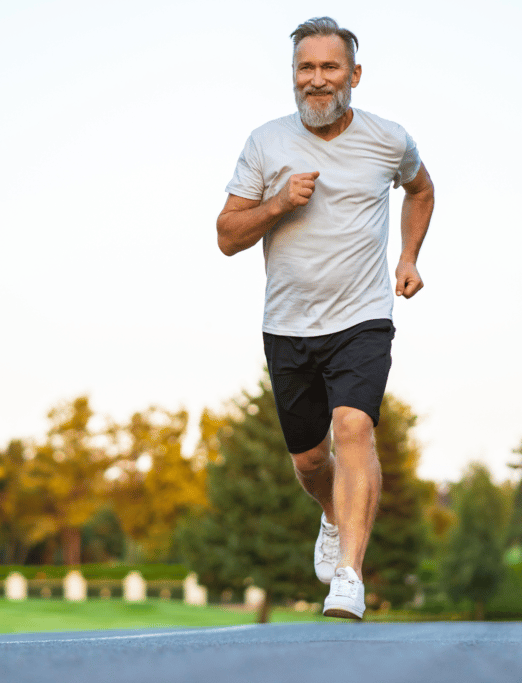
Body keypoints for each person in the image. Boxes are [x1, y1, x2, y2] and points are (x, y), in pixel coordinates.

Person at [216, 17, 434, 620]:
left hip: (363, 317)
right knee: (311, 461)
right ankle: (332, 513)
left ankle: (349, 577)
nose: (316, 80)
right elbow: (226, 237)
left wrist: (408, 257)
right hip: (288, 324)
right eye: (305, 69)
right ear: (293, 77)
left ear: (353, 76)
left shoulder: (388, 140)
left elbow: (421, 191)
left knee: (354, 429)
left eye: (329, 67)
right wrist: (278, 203)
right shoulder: (265, 144)